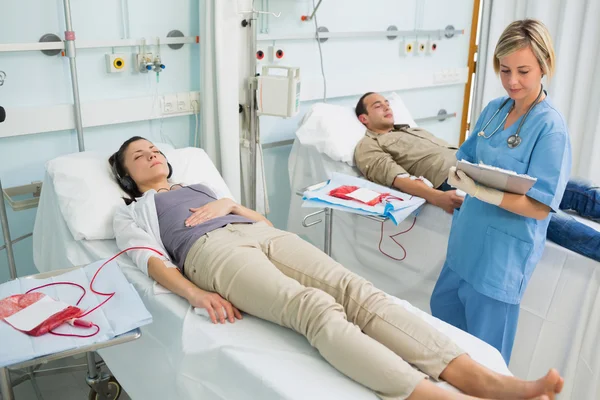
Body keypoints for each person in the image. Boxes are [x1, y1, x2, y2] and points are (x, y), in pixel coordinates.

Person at [109, 136, 564, 400]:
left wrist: (230, 202)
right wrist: (196, 293)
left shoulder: (204, 187)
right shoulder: (133, 211)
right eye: (139, 156)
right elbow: (147, 260)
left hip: (260, 235)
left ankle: (479, 378)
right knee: (314, 308)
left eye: (154, 149)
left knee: (356, 290)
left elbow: (263, 223)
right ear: (129, 177)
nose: (151, 155)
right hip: (209, 253)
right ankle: (434, 396)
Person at [429, 19, 572, 364]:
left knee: (485, 362)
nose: (512, 81)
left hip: (500, 262)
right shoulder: (495, 110)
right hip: (465, 247)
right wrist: (460, 173)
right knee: (442, 347)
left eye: (523, 71)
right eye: (505, 70)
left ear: (544, 66)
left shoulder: (551, 128)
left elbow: (541, 207)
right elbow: (465, 156)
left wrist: (482, 191)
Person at [353, 97, 599, 264]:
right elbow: (398, 178)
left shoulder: (409, 129)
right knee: (538, 209)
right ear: (363, 118)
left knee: (563, 187)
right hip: (457, 178)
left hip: (481, 162)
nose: (387, 107)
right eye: (377, 106)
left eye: (387, 102)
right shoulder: (369, 145)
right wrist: (438, 198)